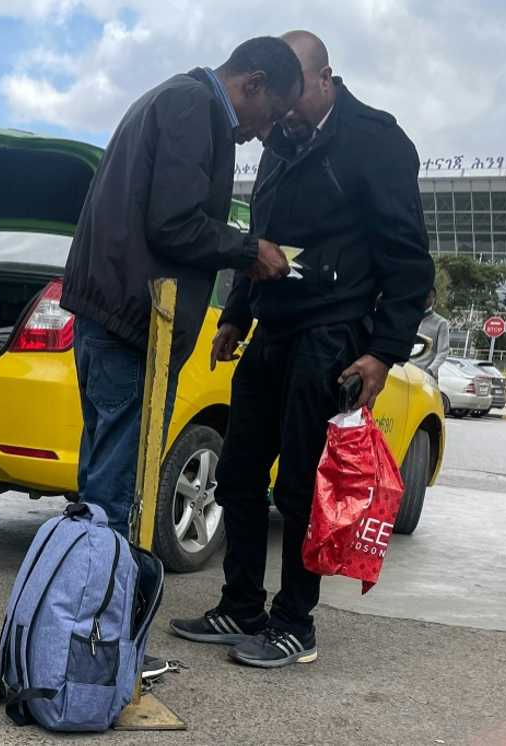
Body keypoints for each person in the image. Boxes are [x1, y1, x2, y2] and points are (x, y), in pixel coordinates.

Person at [170, 31, 434, 668]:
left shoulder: (374, 140)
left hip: (333, 335)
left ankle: (295, 623)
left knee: (298, 488)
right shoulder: (281, 147)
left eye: (293, 99)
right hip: (273, 327)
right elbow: (260, 236)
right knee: (237, 471)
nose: (279, 117)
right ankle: (240, 604)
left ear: (325, 79)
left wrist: (382, 352)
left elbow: (408, 260)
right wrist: (236, 314)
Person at [62, 36, 303, 538]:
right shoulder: (193, 107)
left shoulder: (169, 97)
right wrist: (249, 250)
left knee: (102, 479)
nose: (265, 134)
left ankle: (84, 600)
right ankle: (96, 610)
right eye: (271, 115)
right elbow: (173, 223)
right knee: (118, 489)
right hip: (132, 327)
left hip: (110, 316)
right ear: (253, 83)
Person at [413, 287, 450, 380]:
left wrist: (430, 370)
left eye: (429, 297)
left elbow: (443, 352)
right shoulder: (409, 318)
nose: (425, 299)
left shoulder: (441, 323)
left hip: (426, 377)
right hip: (405, 374)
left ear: (434, 299)